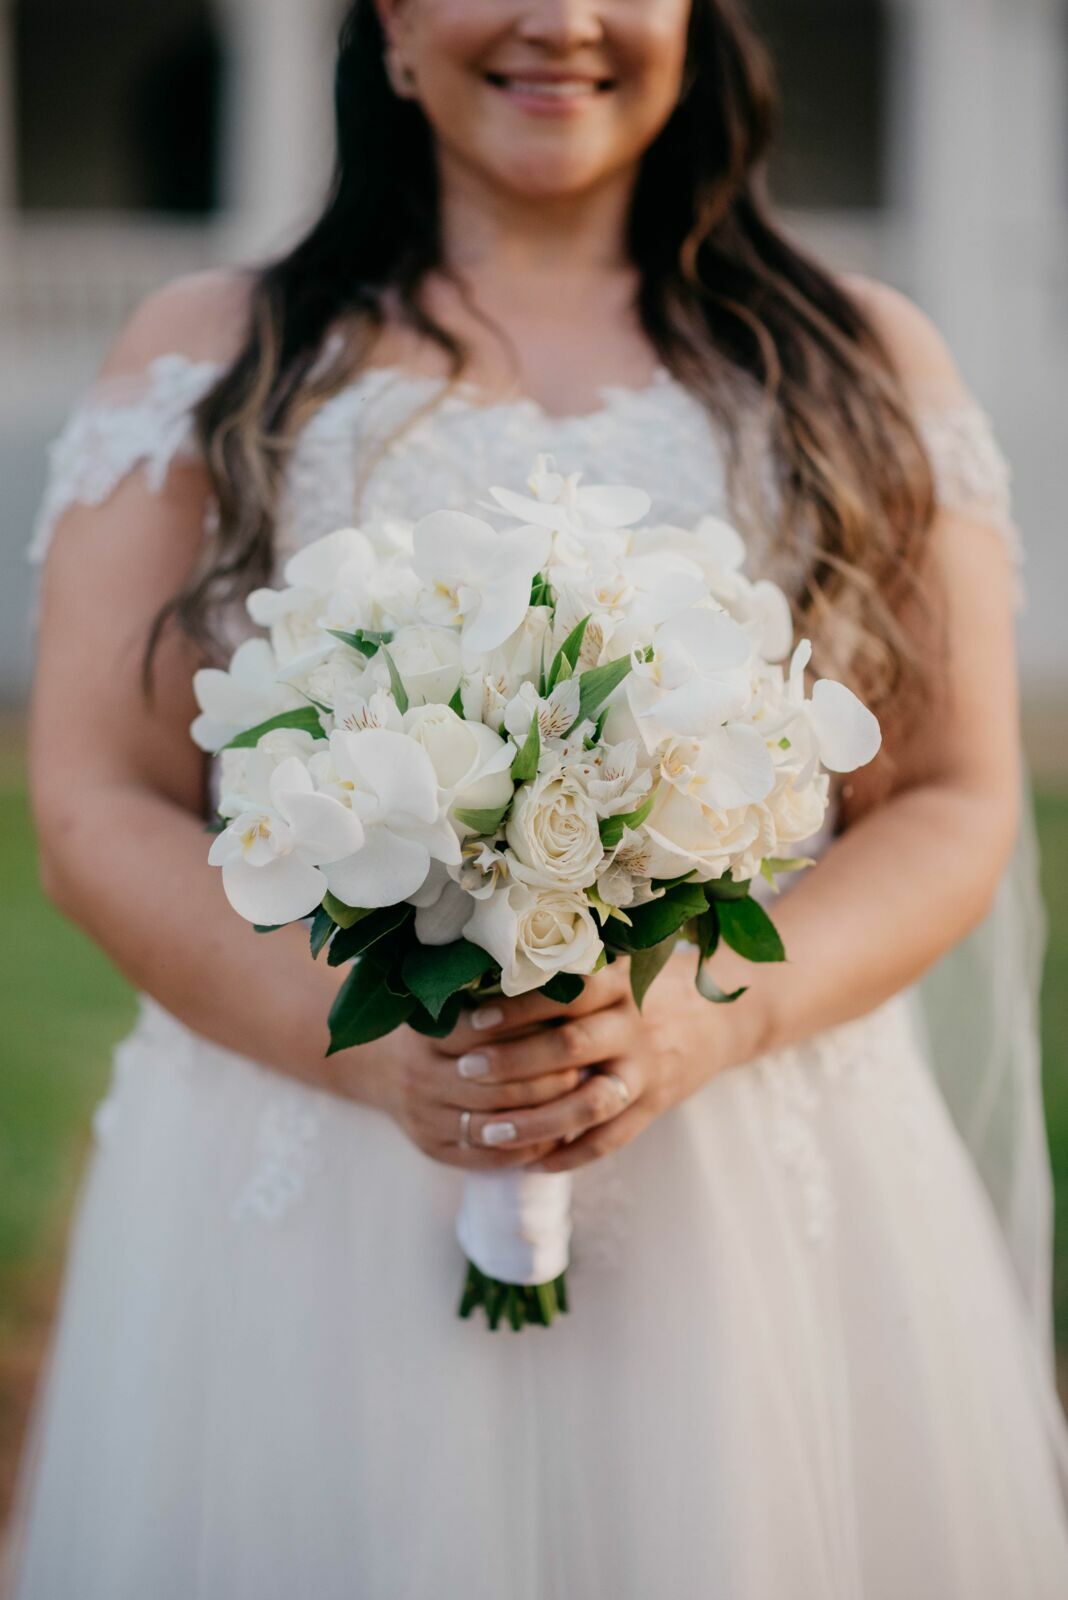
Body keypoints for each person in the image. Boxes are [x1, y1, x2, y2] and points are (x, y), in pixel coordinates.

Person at [7, 2, 1068, 1596]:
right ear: (391, 20)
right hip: (309, 1174)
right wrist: (374, 1065)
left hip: (756, 1177)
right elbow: (99, 795)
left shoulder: (860, 358)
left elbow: (956, 794)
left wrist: (706, 1022)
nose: (558, 18)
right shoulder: (209, 354)